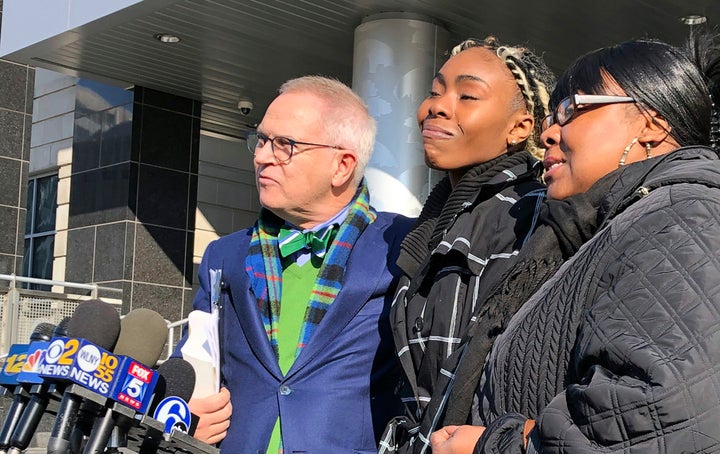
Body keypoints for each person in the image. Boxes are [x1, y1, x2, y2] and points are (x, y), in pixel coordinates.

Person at [429, 35, 720, 453]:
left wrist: (498, 446)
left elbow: (663, 415)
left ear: (651, 125)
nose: (549, 132)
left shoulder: (685, 212)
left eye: (571, 110)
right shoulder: (603, 234)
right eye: (550, 115)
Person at [182, 75, 413, 453]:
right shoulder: (223, 256)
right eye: (261, 140)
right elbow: (194, 358)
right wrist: (189, 411)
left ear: (342, 165)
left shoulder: (403, 246)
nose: (261, 156)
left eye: (284, 144)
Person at [381, 36, 555, 451]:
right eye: (434, 91)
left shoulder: (531, 216)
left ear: (521, 127)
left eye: (468, 95)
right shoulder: (436, 222)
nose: (438, 107)